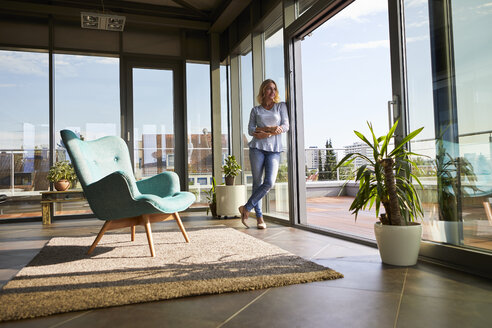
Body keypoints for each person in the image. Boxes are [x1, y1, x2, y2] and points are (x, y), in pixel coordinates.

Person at [239, 79, 289, 229]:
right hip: (257, 148)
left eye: (274, 89)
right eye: (269, 89)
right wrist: (268, 130)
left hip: (274, 150)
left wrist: (271, 129)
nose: (272, 92)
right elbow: (251, 130)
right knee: (257, 183)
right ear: (263, 91)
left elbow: (286, 125)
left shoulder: (281, 106)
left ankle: (246, 208)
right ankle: (259, 218)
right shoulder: (255, 110)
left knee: (269, 183)